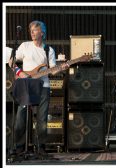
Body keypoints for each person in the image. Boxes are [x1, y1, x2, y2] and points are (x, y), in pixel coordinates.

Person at [9, 20, 69, 156]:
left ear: (42, 32)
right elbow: (11, 61)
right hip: (26, 85)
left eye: (35, 30)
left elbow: (52, 70)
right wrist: (20, 72)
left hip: (43, 86)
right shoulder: (25, 46)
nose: (32, 32)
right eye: (31, 30)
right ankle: (19, 147)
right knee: (20, 118)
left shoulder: (49, 50)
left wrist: (62, 67)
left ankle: (41, 147)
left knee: (42, 119)